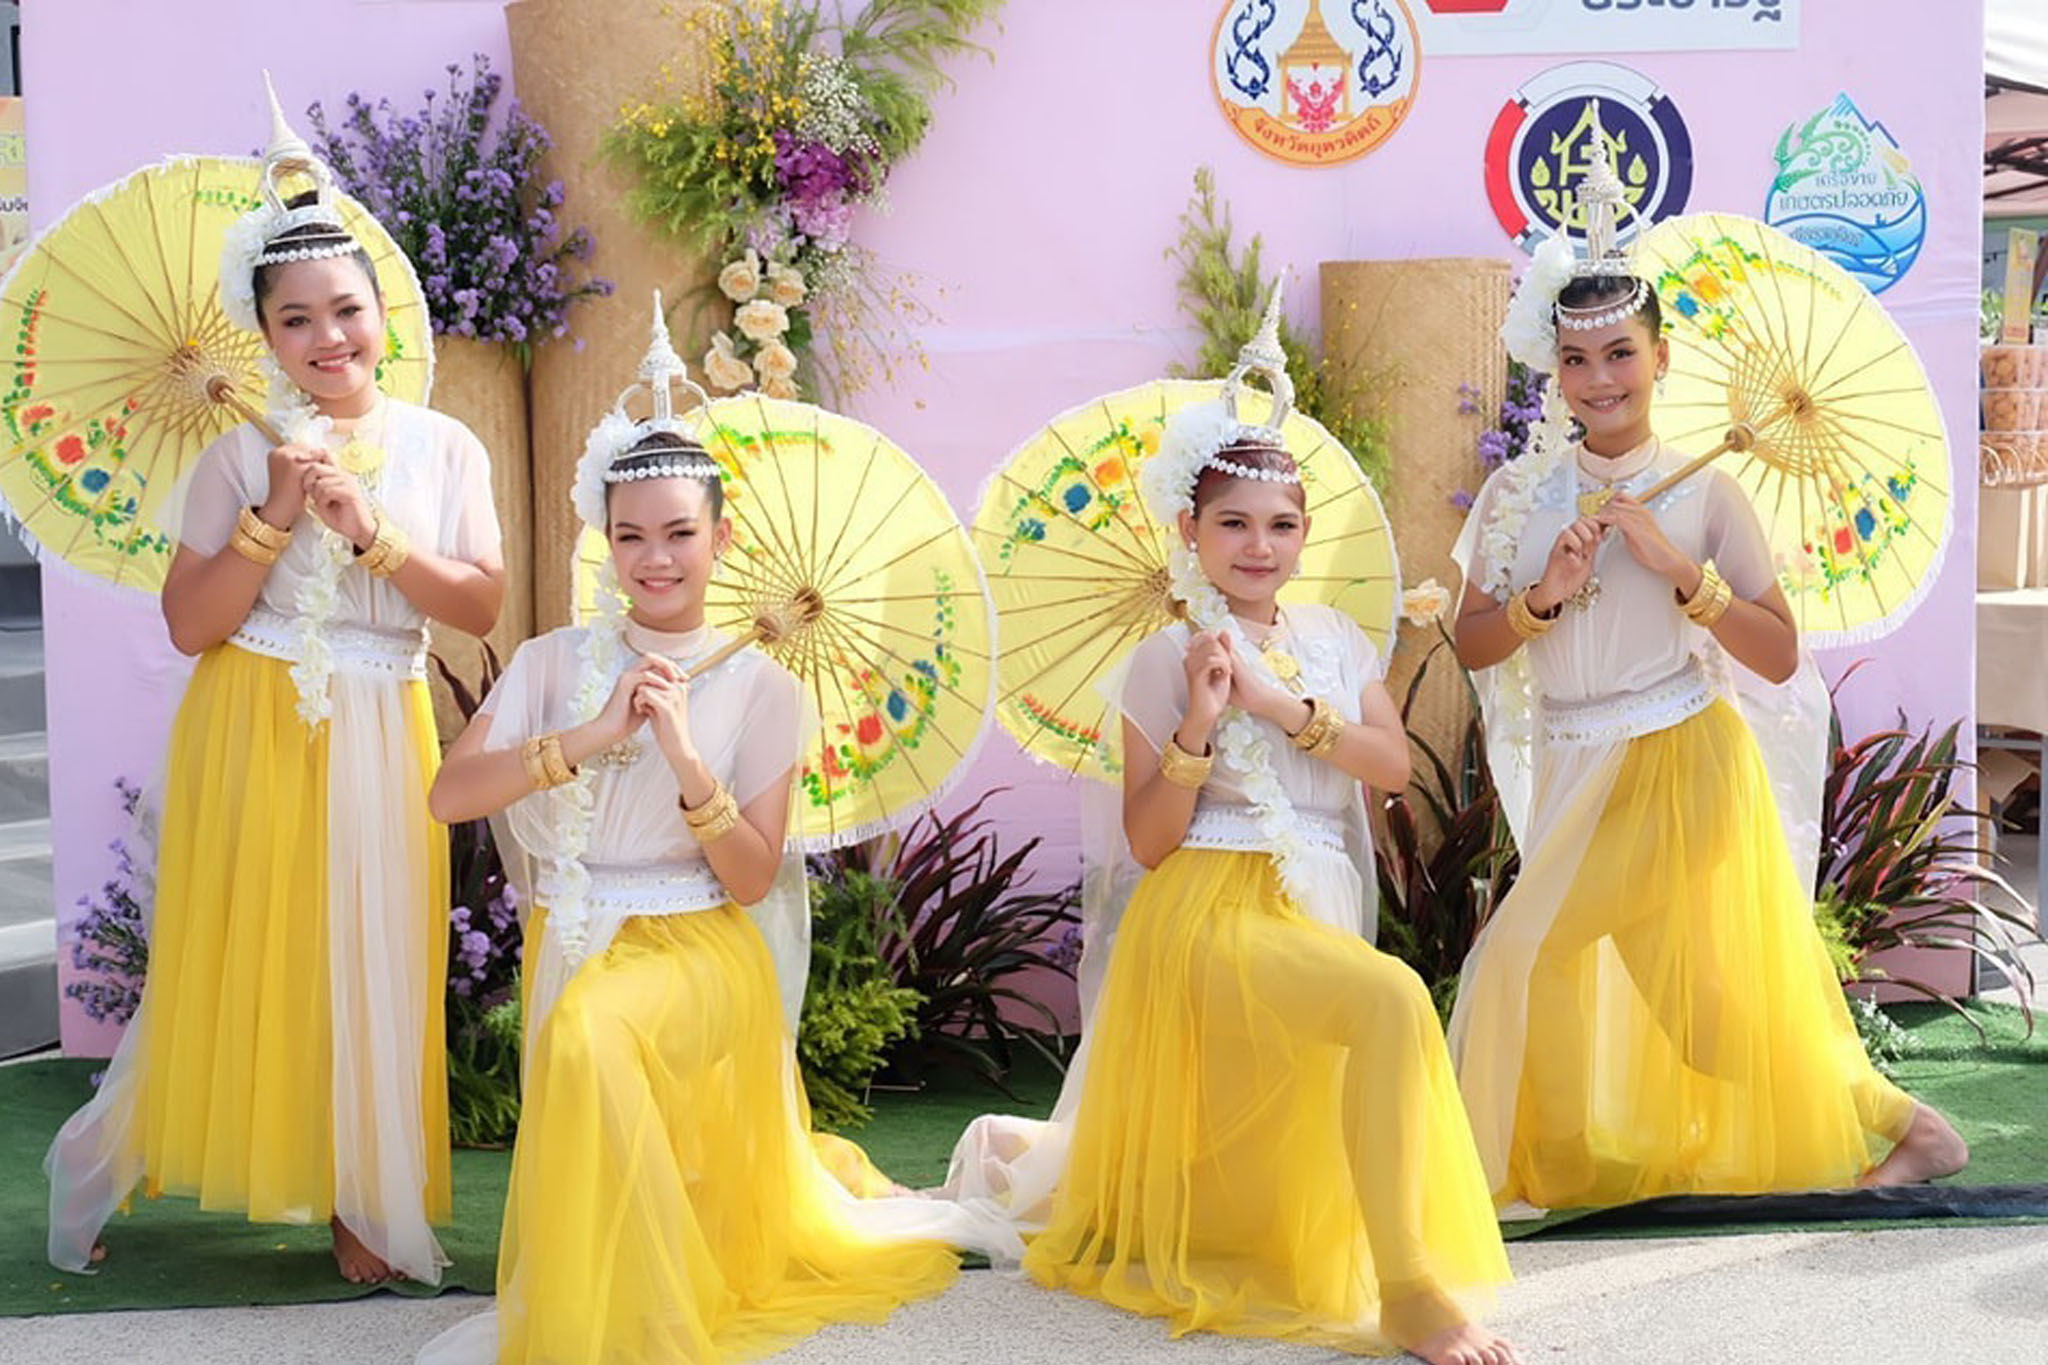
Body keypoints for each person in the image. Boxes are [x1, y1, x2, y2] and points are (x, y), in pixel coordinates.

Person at [943, 308, 1519, 1365]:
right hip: (1203, 909)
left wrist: (1276, 702)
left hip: (1311, 898)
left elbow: (1390, 771)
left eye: (1281, 525)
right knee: (1392, 998)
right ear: (1188, 532)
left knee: (1269, 1153)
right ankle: (1404, 1290)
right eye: (1233, 525)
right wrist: (1203, 719)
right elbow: (1150, 842)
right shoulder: (1164, 657)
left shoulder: (1335, 640)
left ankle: (1074, 1161)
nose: (1259, 547)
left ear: (1305, 533)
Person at [417, 297, 971, 1364]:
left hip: (697, 952)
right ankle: (609, 1286)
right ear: (605, 540)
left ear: (721, 537)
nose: (655, 559)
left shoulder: (761, 685)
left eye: (679, 534)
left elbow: (753, 876)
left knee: (589, 1038)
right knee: (579, 1040)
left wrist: (680, 754)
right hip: (572, 937)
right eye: (631, 536)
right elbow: (451, 797)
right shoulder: (548, 663)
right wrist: (584, 734)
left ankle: (657, 1325)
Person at [1446, 128, 1968, 1213]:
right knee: (1697, 1015)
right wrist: (1541, 594)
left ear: (1659, 358)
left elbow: (1776, 655)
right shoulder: (1515, 501)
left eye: (1620, 354)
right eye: (1578, 358)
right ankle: (1902, 1125)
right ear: (1552, 367)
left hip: (1674, 758)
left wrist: (1682, 574)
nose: (1599, 379)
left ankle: (1506, 1176)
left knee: (1513, 960)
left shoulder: (1705, 494)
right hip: (1574, 767)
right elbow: (1472, 643)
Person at [45, 81, 503, 1285]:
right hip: (250, 718)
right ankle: (110, 1163)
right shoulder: (236, 453)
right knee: (237, 956)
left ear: (379, 317)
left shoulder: (440, 447)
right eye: (295, 318)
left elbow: (481, 608)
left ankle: (366, 1203)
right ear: (264, 333)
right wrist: (276, 512)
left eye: (344, 310)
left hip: (380, 718)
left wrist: (376, 536)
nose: (326, 338)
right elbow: (192, 626)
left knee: (377, 960)